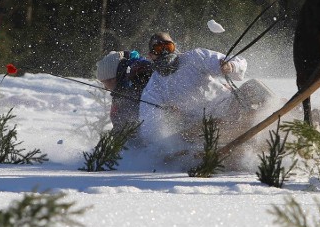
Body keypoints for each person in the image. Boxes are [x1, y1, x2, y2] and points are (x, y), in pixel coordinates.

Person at [138, 32, 275, 150]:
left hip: (230, 104)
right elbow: (149, 128)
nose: (165, 53)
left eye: (168, 47)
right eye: (159, 49)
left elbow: (239, 62)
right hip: (204, 125)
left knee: (254, 85)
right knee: (183, 137)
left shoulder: (195, 57)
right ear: (151, 55)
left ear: (174, 47)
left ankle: (286, 115)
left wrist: (230, 66)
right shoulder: (153, 88)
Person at [96, 49, 153, 132]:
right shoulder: (125, 85)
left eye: (104, 83)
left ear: (112, 78)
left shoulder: (133, 84)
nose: (105, 88)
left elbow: (124, 126)